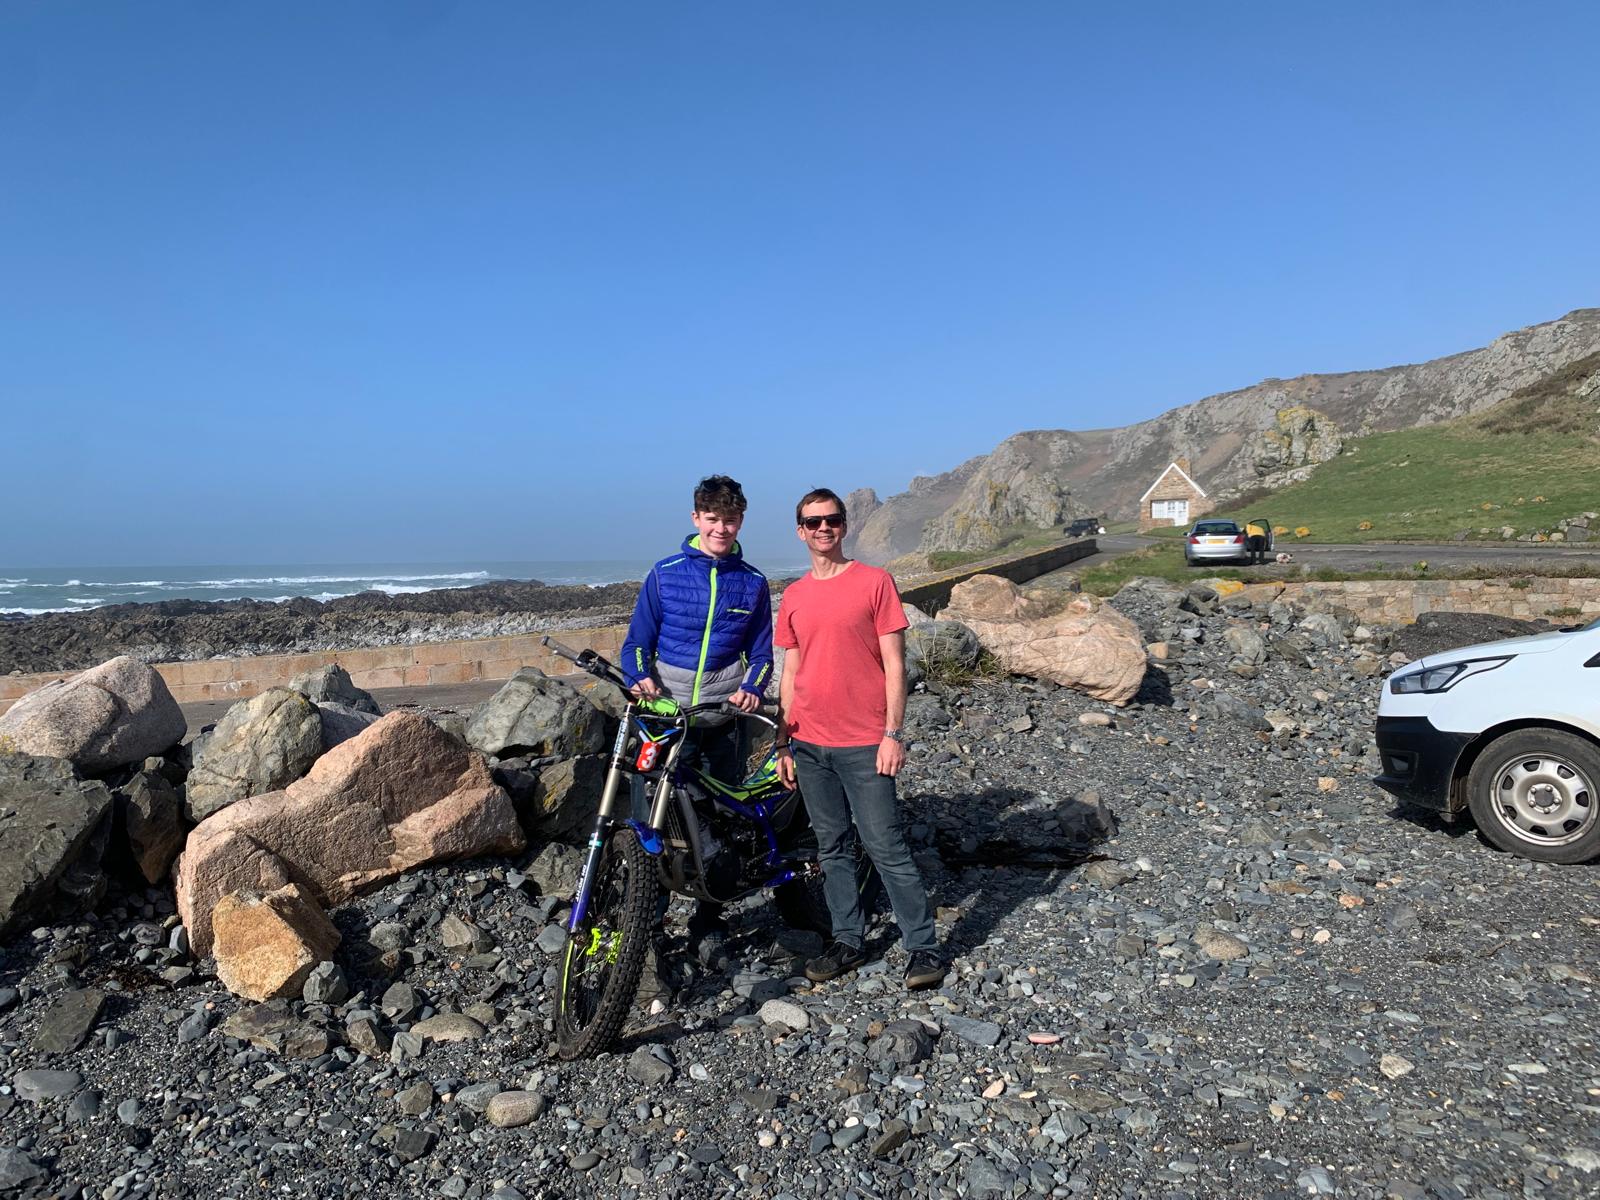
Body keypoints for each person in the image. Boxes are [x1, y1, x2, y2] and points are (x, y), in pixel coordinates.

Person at [774, 487, 946, 991]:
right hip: (809, 744)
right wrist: (782, 743)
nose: (823, 528)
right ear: (800, 531)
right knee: (831, 847)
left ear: (844, 526)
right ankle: (847, 939)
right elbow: (791, 673)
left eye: (831, 520)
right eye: (813, 522)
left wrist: (893, 734)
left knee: (885, 845)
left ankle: (923, 947)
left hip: (866, 742)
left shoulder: (875, 582)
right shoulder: (795, 596)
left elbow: (896, 664)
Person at [620, 474, 774, 954]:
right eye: (712, 518)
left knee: (722, 820)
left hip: (724, 718)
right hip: (668, 718)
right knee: (654, 820)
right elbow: (636, 644)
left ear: (741, 521)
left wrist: (752, 688)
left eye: (730, 520)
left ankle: (710, 917)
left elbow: (762, 654)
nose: (721, 528)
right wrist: (639, 678)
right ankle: (649, 923)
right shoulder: (664, 573)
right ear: (696, 518)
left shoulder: (753, 583)